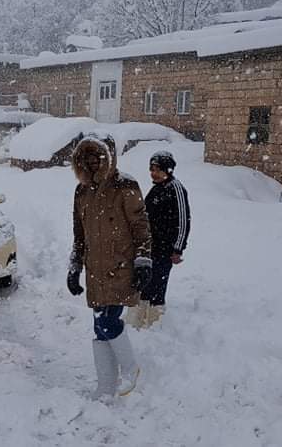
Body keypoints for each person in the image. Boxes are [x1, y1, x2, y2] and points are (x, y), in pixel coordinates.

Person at [67, 135, 153, 399]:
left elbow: (141, 227)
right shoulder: (81, 191)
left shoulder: (125, 185)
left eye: (98, 158)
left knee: (107, 320)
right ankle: (106, 386)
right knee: (99, 326)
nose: (92, 163)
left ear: (109, 158)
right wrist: (74, 267)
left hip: (121, 267)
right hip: (95, 270)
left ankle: (131, 370)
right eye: (87, 159)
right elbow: (79, 234)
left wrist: (143, 261)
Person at [126, 151, 191, 329]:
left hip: (165, 250)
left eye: (157, 170)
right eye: (151, 169)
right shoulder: (156, 189)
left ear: (168, 170)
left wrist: (178, 249)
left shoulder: (176, 189)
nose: (153, 173)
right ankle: (138, 322)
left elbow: (183, 222)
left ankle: (155, 323)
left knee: (158, 286)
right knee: (144, 283)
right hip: (149, 247)